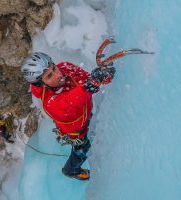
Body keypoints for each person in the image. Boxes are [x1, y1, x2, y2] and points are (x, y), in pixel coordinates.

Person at [21, 52, 115, 180]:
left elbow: (88, 81)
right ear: (41, 84)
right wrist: (90, 85)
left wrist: (103, 76)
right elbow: (73, 99)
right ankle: (71, 170)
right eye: (49, 76)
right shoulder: (50, 103)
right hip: (76, 130)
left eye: (53, 68)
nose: (57, 75)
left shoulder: (66, 68)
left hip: (85, 114)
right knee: (82, 148)